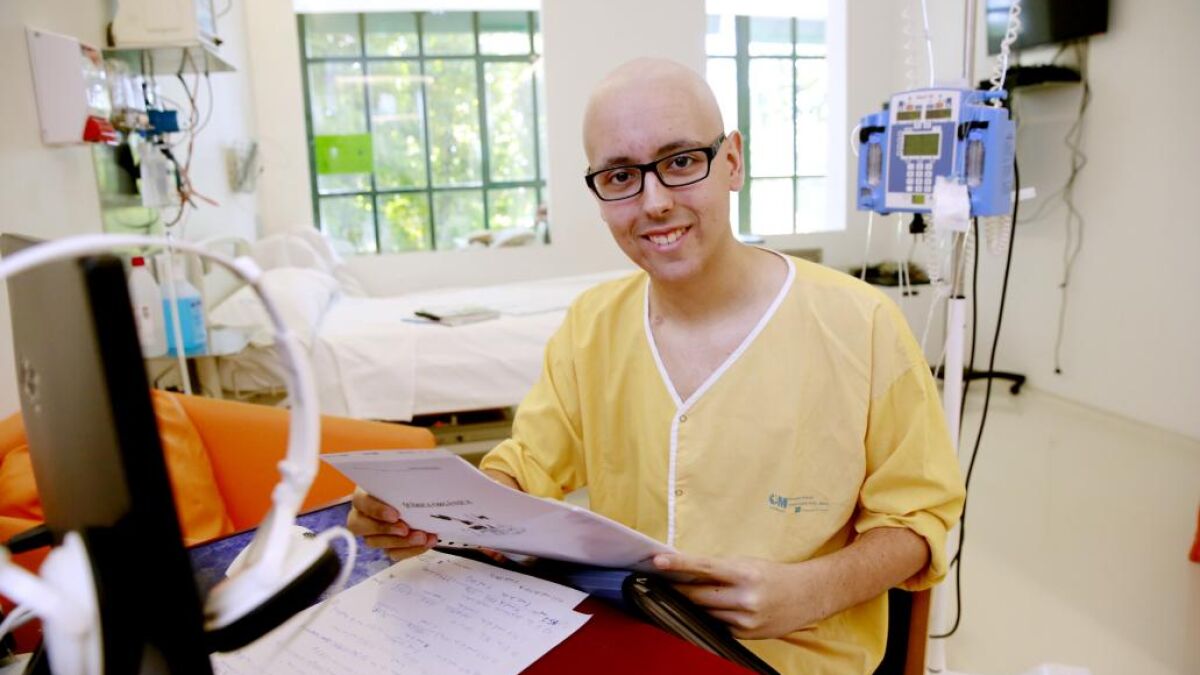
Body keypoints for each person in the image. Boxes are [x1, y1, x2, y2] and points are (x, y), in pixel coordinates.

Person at [347, 57, 965, 674]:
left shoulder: (862, 325)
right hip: (628, 641)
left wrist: (814, 590)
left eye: (681, 162)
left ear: (732, 161)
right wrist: (427, 513)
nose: (655, 202)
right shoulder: (593, 324)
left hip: (790, 657)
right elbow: (528, 465)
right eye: (620, 176)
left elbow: (919, 520)